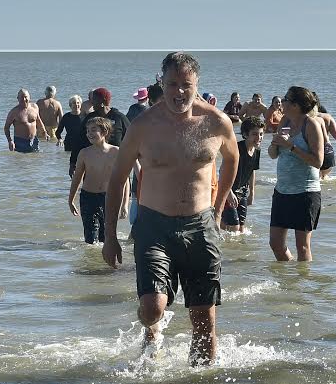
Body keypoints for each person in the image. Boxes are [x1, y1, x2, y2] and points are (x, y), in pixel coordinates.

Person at [101, 52, 238, 366]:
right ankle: (151, 330)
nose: (179, 92)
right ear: (161, 83)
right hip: (154, 226)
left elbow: (232, 160)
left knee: (204, 317)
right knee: (152, 308)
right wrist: (110, 236)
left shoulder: (216, 121)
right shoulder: (144, 125)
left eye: (186, 85)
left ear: (196, 84)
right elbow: (118, 177)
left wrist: (217, 210)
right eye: (172, 84)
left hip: (200, 223)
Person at [268, 86, 326, 262]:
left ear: (296, 105)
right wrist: (275, 144)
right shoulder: (284, 121)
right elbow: (273, 155)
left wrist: (291, 147)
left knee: (302, 247)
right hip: (282, 191)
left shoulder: (311, 125)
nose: (282, 102)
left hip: (305, 193)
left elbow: (318, 162)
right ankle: (289, 282)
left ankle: (303, 286)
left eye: (285, 99)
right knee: (275, 244)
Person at [68, 117, 121, 244]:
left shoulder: (115, 152)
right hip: (88, 198)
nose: (89, 134)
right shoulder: (84, 153)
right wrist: (70, 200)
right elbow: (77, 178)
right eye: (87, 131)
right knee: (91, 239)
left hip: (108, 198)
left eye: (93, 130)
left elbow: (122, 181)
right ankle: (91, 261)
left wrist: (123, 204)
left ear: (104, 132)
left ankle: (103, 262)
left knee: (106, 237)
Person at [223, 117, 264, 232]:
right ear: (245, 135)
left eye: (261, 134)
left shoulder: (257, 150)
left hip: (243, 192)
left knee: (241, 229)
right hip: (229, 190)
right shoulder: (237, 150)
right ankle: (215, 222)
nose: (259, 138)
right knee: (234, 228)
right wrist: (229, 193)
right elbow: (223, 171)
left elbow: (252, 171)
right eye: (255, 134)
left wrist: (252, 193)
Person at [55, 95, 86, 175]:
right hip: (69, 144)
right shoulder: (66, 117)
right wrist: (60, 139)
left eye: (78, 103)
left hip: (82, 144)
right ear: (70, 105)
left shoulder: (85, 117)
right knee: (70, 163)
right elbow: (58, 132)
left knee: (82, 164)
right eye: (74, 103)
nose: (76, 105)